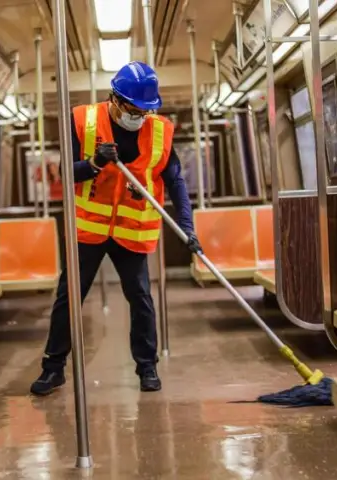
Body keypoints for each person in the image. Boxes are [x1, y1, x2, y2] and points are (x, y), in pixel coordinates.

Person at [30, 61, 202, 396]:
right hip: (89, 230)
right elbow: (67, 171)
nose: (138, 116)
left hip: (131, 230)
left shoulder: (160, 131)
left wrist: (186, 226)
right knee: (69, 296)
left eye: (145, 110)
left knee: (140, 298)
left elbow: (176, 181)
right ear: (114, 99)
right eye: (133, 109)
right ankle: (53, 368)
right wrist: (94, 162)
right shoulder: (82, 120)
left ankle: (147, 366)